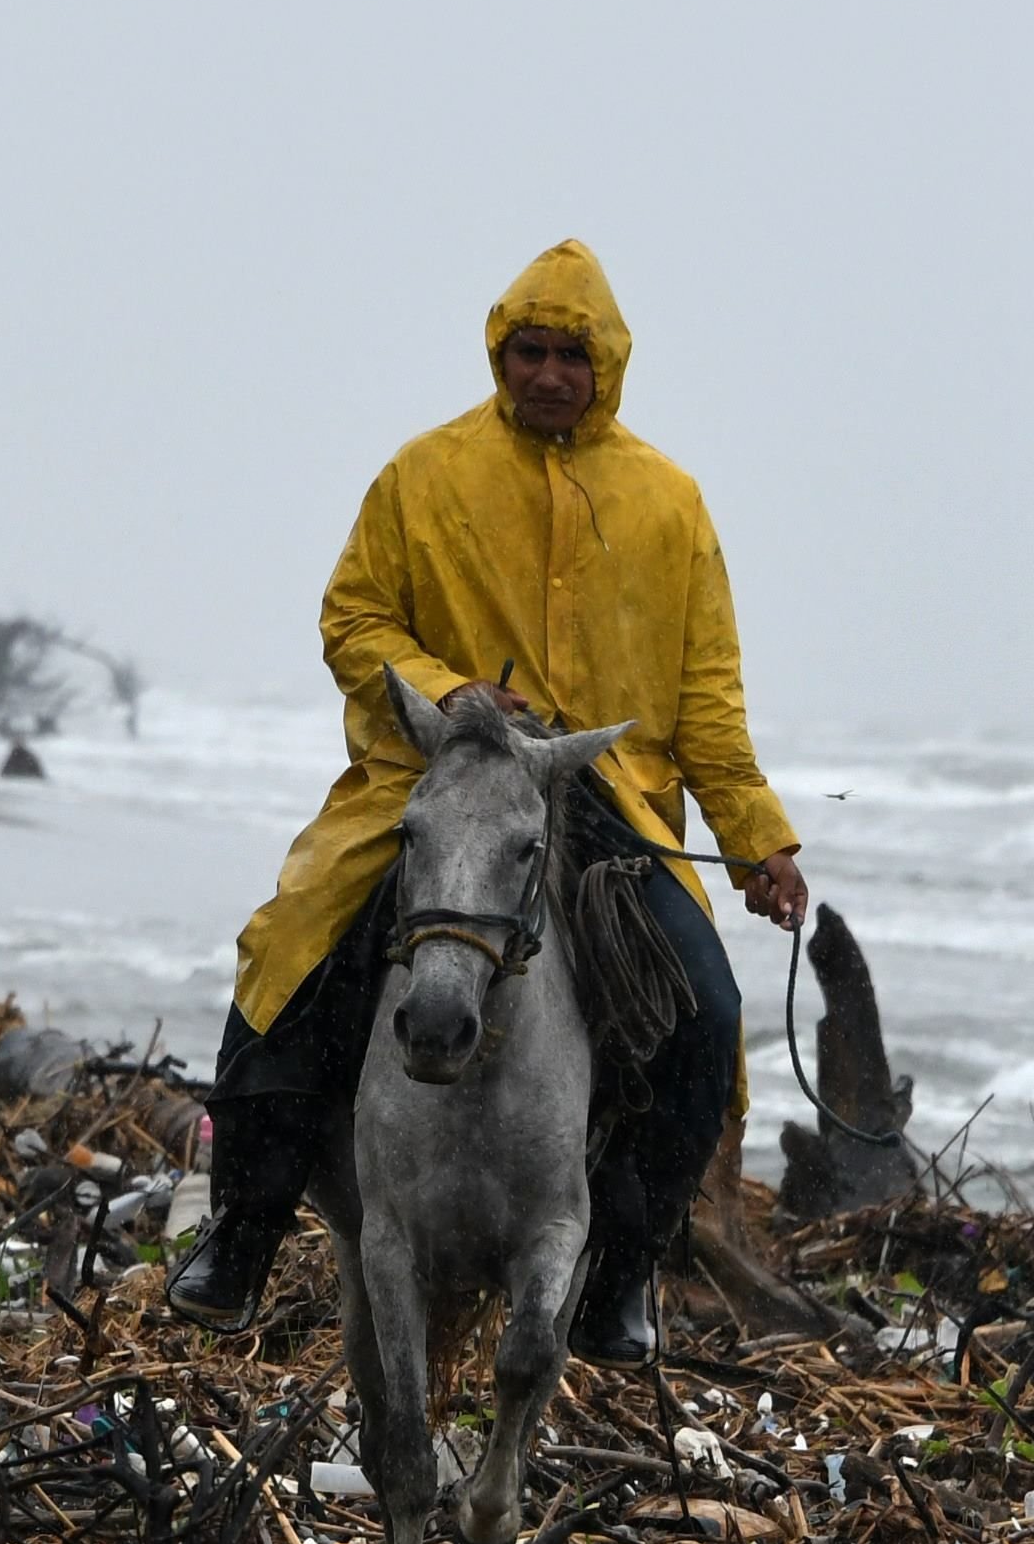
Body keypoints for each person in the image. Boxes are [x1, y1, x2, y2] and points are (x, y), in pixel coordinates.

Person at [166, 239, 809, 1360]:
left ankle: (619, 1272)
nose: (549, 373)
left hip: (606, 802)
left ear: (606, 364)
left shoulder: (671, 503)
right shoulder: (424, 474)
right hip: (439, 777)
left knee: (704, 1012)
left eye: (570, 355)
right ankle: (246, 1228)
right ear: (500, 354)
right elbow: (353, 620)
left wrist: (759, 843)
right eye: (529, 351)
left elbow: (707, 702)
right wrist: (447, 688)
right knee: (289, 959)